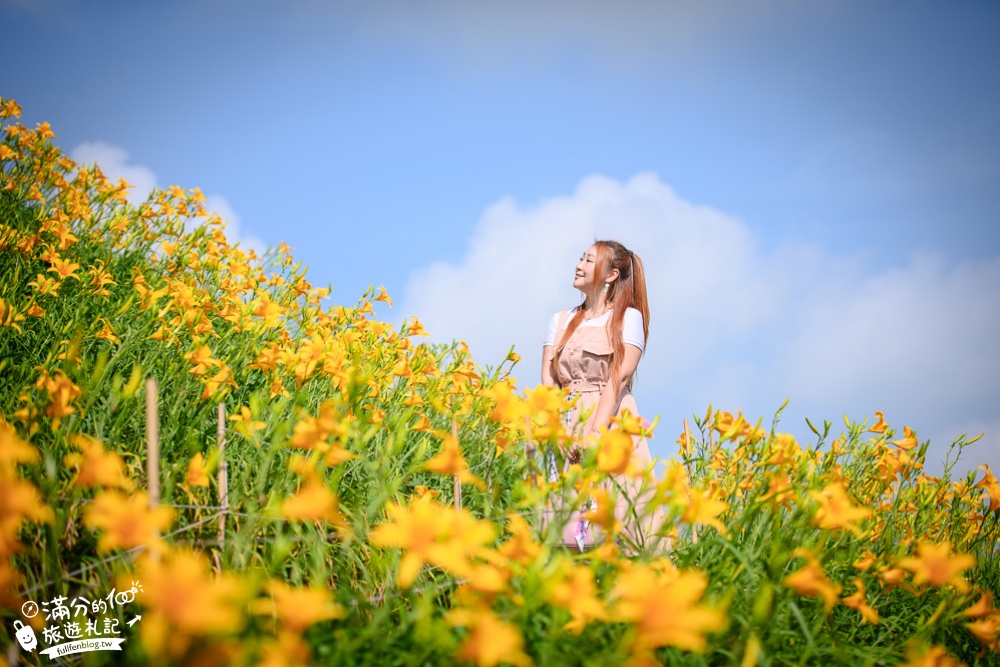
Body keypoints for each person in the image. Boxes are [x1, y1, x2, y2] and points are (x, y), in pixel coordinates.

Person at [540, 240, 663, 552]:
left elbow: (618, 378)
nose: (579, 265)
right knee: (563, 531)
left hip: (610, 424)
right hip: (566, 424)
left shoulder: (627, 317)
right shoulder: (560, 319)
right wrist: (557, 431)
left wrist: (594, 434)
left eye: (589, 260)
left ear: (611, 275)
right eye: (580, 258)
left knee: (623, 527)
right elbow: (548, 379)